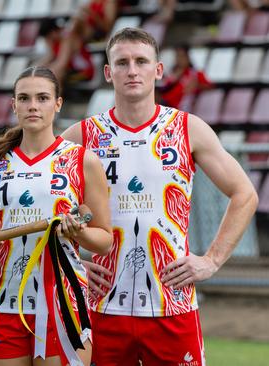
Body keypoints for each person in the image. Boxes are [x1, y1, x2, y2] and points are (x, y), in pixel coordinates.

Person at [61, 27, 259, 365]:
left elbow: (244, 194)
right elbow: (45, 209)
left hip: (172, 303)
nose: (132, 70)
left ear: (158, 70)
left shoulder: (187, 129)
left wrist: (211, 260)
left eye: (141, 61)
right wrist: (74, 264)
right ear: (108, 73)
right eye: (122, 62)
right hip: (102, 306)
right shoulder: (81, 135)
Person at [0, 66, 113, 366]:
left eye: (42, 98)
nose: (32, 105)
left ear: (58, 104)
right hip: (2, 301)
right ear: (13, 105)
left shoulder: (82, 160)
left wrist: (80, 232)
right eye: (24, 98)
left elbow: (104, 242)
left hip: (63, 303)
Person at [37, 18, 95, 85]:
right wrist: (34, 70)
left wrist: (41, 73)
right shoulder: (54, 41)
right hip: (72, 71)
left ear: (53, 32)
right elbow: (49, 57)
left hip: (84, 71)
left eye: (48, 37)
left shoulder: (67, 38)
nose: (47, 40)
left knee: (57, 74)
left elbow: (61, 63)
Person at [158, 44, 214, 111]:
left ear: (188, 57)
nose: (179, 59)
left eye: (182, 56)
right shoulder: (171, 74)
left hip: (181, 108)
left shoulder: (195, 74)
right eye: (177, 56)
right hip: (165, 106)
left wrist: (197, 86)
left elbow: (210, 87)